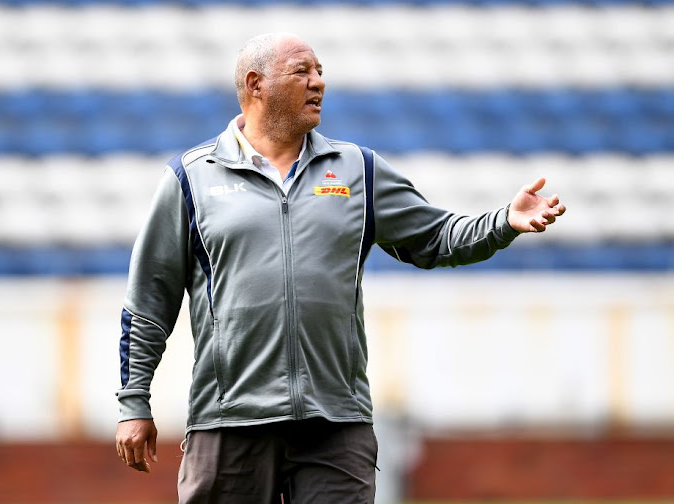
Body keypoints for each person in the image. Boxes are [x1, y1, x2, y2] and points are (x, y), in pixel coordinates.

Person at [115, 32, 566, 503]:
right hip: (230, 421)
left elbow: (436, 238)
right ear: (256, 84)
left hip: (336, 424)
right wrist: (133, 403)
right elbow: (148, 300)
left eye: (321, 71)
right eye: (302, 71)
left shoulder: (357, 170)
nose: (319, 83)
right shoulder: (191, 177)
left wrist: (504, 222)